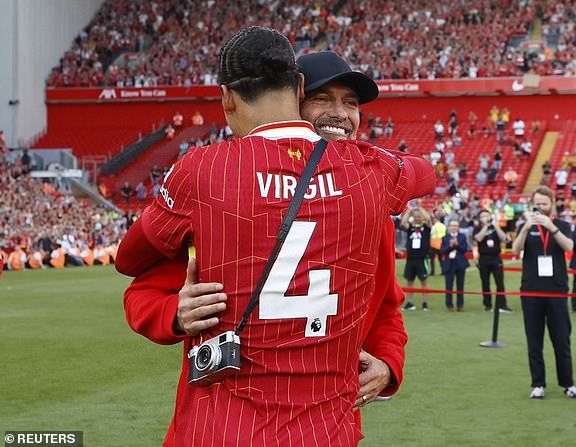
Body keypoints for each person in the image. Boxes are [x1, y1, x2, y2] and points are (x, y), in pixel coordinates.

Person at [116, 27, 435, 447]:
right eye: (323, 99)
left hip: (235, 427)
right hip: (275, 427)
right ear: (295, 95)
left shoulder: (208, 175)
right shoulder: (370, 181)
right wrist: (175, 312)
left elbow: (387, 309)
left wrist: (389, 364)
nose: (340, 113)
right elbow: (424, 172)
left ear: (230, 97)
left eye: (351, 103)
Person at [512, 186, 576, 399]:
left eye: (544, 203)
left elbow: (569, 246)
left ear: (551, 204)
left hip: (557, 291)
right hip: (531, 291)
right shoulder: (525, 225)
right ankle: (538, 384)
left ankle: (568, 384)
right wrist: (525, 228)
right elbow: (515, 251)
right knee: (534, 341)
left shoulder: (561, 225)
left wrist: (552, 228)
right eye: (537, 203)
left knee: (562, 340)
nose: (540, 207)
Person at [473, 209, 512, 312]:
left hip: (496, 257)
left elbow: (505, 239)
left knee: (500, 282)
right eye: (483, 216)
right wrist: (485, 226)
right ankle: (488, 305)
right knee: (485, 282)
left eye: (487, 216)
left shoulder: (495, 227)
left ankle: (502, 305)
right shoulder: (477, 228)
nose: (485, 218)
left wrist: (496, 226)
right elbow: (478, 238)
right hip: (484, 258)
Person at [400, 206, 431, 311]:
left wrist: (420, 208)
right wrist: (409, 212)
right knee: (410, 281)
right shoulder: (411, 228)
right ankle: (410, 302)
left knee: (424, 281)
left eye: (419, 216)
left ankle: (425, 302)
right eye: (415, 216)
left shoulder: (426, 227)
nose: (417, 218)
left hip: (422, 258)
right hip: (411, 258)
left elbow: (428, 219)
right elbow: (403, 224)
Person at [439, 219, 468, 311]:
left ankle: (460, 305)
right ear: (449, 227)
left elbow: (464, 249)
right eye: (452, 225)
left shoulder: (462, 237)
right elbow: (441, 251)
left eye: (456, 226)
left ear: (458, 227)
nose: (454, 227)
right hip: (449, 264)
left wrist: (457, 245)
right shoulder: (445, 238)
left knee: (460, 285)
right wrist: (450, 246)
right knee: (449, 286)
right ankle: (449, 305)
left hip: (460, 263)